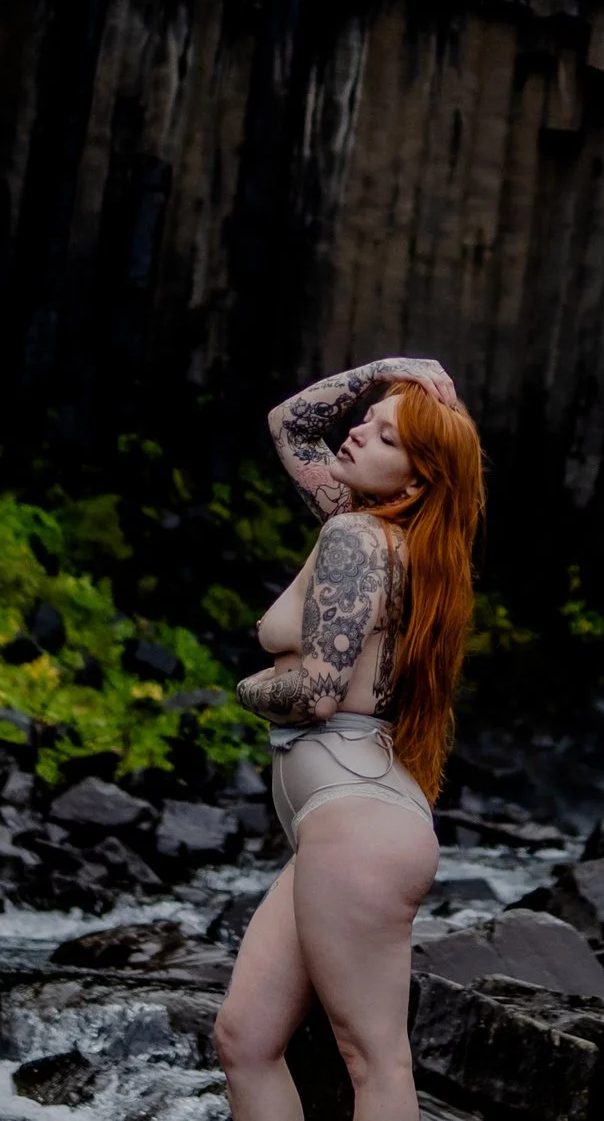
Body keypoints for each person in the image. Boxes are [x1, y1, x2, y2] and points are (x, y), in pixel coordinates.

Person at [213, 355, 485, 1121]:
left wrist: (243, 688)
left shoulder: (359, 540)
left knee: (375, 1060)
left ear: (416, 479)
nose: (360, 427)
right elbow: (291, 423)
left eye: (387, 433)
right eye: (369, 417)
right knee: (244, 1037)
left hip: (356, 826)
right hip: (347, 822)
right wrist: (396, 370)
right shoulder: (376, 530)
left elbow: (316, 692)